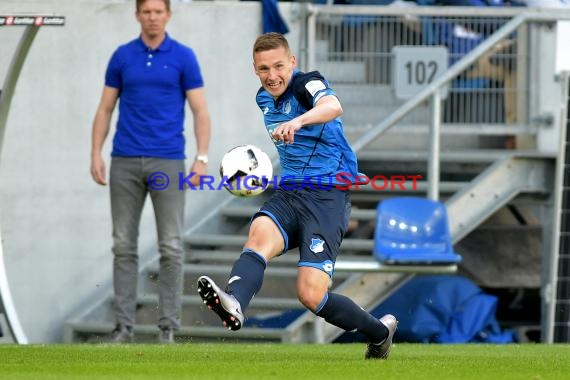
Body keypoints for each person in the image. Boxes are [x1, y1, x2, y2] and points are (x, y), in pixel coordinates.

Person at [197, 32, 396, 359]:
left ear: (292, 62)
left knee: (311, 295)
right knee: (258, 236)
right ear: (255, 69)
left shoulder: (307, 83)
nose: (272, 75)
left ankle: (379, 332)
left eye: (278, 66)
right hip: (291, 192)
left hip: (327, 195)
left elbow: (333, 105)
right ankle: (233, 302)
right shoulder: (263, 97)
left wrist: (299, 121)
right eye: (263, 69)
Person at [90, 0, 211, 343]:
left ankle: (168, 328)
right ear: (137, 15)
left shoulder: (184, 56)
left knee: (171, 246)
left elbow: (201, 111)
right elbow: (105, 109)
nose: (153, 17)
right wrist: (95, 153)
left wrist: (201, 158)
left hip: (168, 161)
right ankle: (123, 328)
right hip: (124, 160)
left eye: (159, 11)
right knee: (122, 246)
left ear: (168, 15)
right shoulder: (122, 56)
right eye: (147, 11)